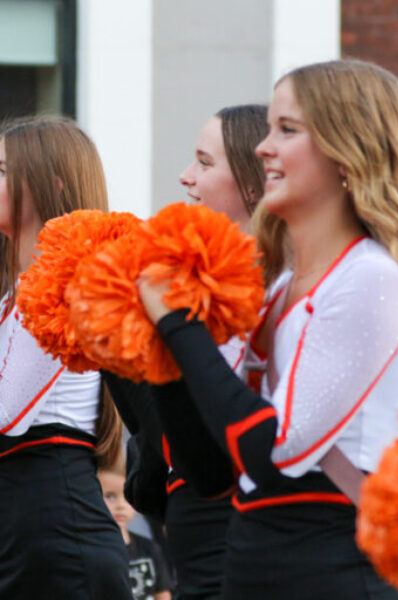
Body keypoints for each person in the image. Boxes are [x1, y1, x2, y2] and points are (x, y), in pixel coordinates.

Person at [137, 59, 398, 600]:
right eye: (269, 129)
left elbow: (273, 452)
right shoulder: (278, 286)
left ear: (347, 150)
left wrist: (178, 324)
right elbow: (209, 471)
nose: (264, 147)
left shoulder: (373, 277)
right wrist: (158, 356)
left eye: (287, 130)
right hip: (258, 564)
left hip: (335, 568)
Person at [105, 104, 268, 600]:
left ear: (254, 183)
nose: (185, 176)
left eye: (203, 162)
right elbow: (157, 438)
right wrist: (114, 340)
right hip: (189, 536)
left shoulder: (279, 291)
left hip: (246, 535)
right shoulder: (188, 286)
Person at [0, 116, 130, 599]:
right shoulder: (14, 294)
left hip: (53, 523)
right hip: (26, 524)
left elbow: (7, 411)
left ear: (49, 183)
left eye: (1, 169)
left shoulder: (66, 284)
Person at [99, 463, 173, 600]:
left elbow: (162, 593)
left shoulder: (150, 548)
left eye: (127, 497)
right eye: (110, 496)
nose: (121, 505)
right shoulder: (93, 553)